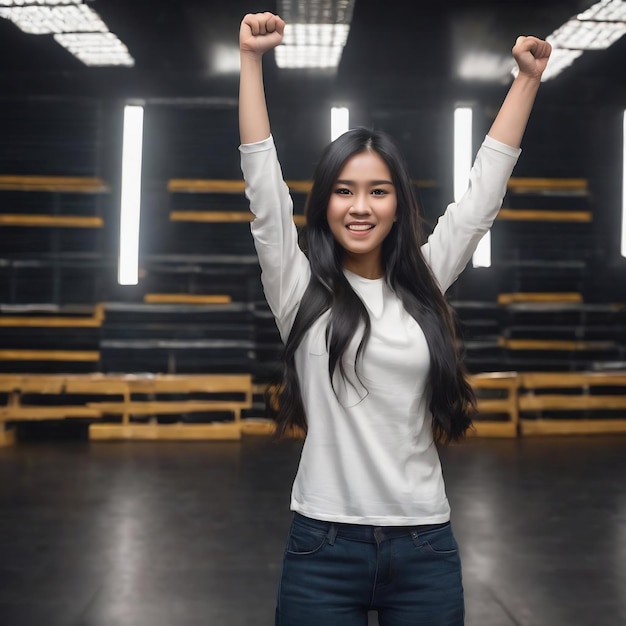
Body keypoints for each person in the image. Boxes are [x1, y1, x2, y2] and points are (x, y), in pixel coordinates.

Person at [238, 11, 551, 626]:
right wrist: (250, 62)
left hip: (423, 546)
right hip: (321, 548)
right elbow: (262, 188)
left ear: (398, 203)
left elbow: (482, 198)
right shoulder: (298, 288)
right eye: (344, 190)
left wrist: (527, 80)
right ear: (325, 201)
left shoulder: (425, 281)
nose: (361, 206)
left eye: (378, 191)